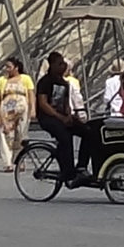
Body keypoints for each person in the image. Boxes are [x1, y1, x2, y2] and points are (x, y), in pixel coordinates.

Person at [35, 54, 86, 187]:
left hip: (62, 117)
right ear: (51, 65)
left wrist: (69, 116)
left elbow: (66, 104)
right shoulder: (45, 82)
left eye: (63, 63)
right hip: (47, 118)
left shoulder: (65, 83)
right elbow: (43, 104)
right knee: (65, 136)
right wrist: (60, 117)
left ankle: (81, 167)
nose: (63, 66)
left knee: (87, 132)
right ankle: (68, 172)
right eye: (59, 63)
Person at [0, 57, 32, 163]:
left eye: (9, 67)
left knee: (21, 134)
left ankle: (20, 160)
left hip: (22, 108)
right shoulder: (2, 80)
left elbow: (30, 94)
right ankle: (7, 162)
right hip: (6, 110)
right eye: (6, 67)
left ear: (16, 68)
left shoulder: (25, 78)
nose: (6, 69)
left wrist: (32, 109)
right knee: (6, 134)